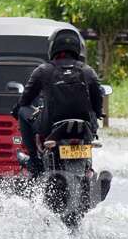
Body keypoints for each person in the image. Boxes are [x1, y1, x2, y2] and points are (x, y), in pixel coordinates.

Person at [11, 28, 103, 176]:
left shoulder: (43, 70)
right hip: (84, 129)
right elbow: (98, 101)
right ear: (78, 48)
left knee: (23, 112)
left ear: (53, 47)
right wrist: (98, 113)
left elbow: (25, 100)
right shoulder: (88, 71)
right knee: (93, 124)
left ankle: (34, 160)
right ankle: (88, 168)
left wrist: (16, 109)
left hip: (50, 128)